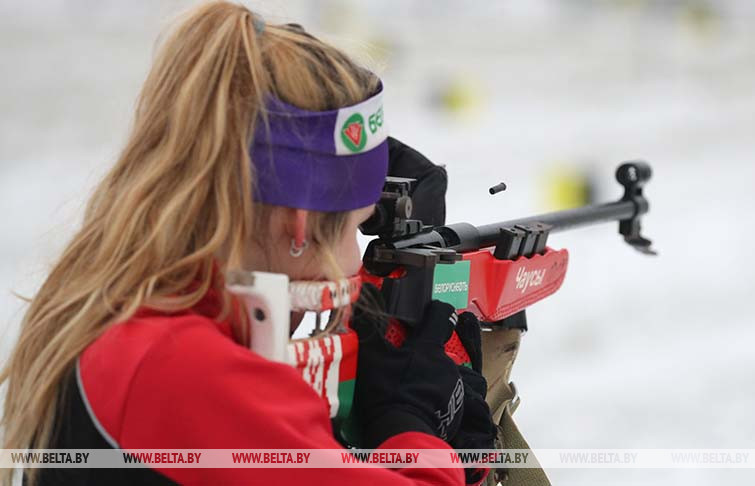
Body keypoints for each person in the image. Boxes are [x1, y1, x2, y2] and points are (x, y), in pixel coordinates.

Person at [0, 2, 494, 485]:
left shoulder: (123, 313)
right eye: (353, 227)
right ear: (298, 226)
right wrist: (413, 428)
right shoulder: (191, 371)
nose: (352, 260)